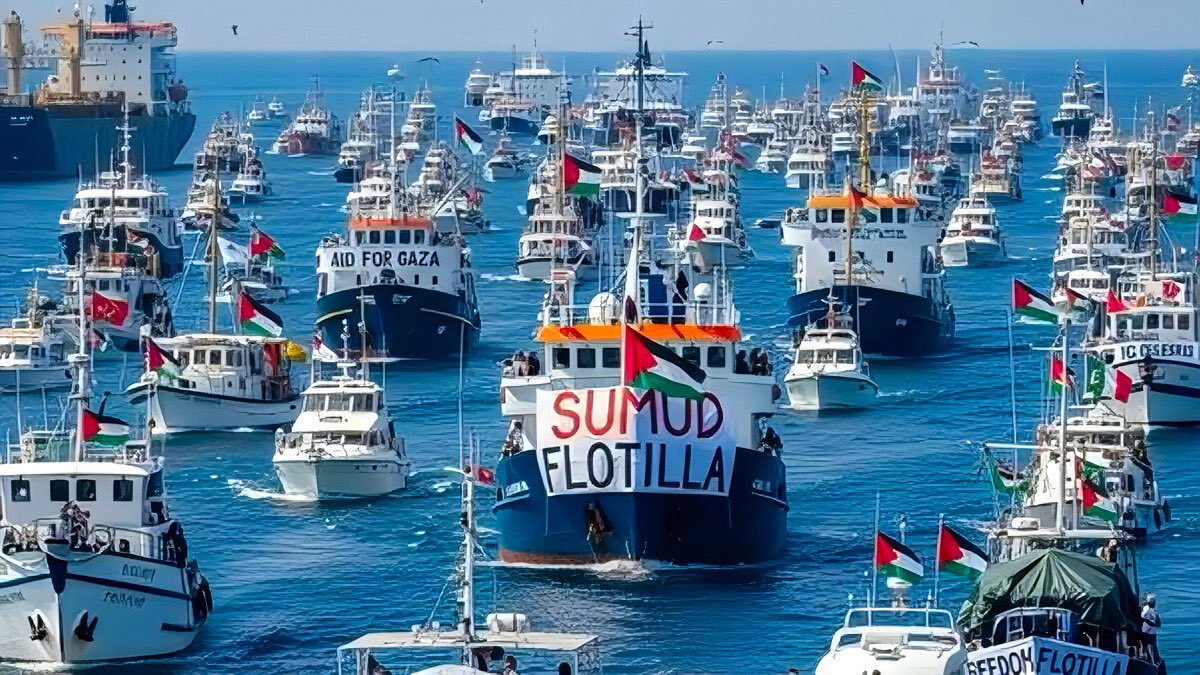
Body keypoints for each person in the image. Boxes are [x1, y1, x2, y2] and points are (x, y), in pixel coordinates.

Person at [1142, 594, 1160, 662]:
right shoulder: (1155, 611)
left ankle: (1149, 658)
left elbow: (1144, 619)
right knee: (1153, 646)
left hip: (1147, 631)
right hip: (1152, 632)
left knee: (1146, 645)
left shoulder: (1147, 609)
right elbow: (1158, 624)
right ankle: (1156, 659)